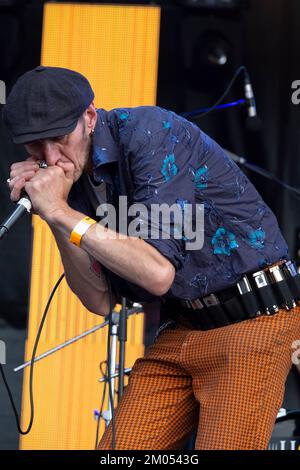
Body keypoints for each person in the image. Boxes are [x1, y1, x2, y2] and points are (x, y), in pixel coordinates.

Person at [3, 66, 300, 450]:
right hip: (183, 325)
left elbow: (157, 272)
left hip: (250, 320)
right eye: (34, 147)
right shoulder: (71, 180)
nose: (51, 158)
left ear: (90, 117)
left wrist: (62, 213)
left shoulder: (150, 132)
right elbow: (99, 300)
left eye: (60, 139)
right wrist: (55, 217)